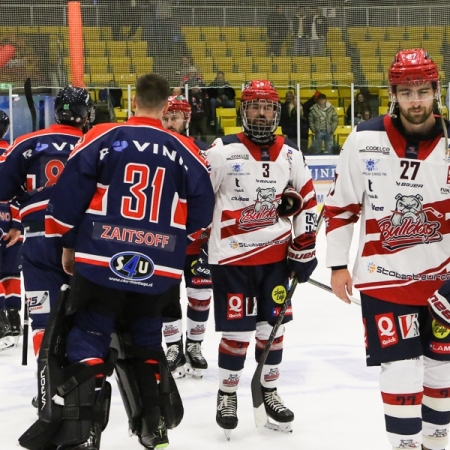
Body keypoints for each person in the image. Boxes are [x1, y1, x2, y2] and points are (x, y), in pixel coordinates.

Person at [28, 74, 214, 449]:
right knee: (145, 342)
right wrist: (172, 242)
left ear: (133, 103)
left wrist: (67, 244)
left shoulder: (102, 136)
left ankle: (84, 433)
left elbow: (66, 199)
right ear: (165, 108)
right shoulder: (187, 150)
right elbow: (203, 213)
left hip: (100, 260)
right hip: (157, 268)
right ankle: (154, 429)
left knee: (88, 338)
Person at [324, 48, 450, 450]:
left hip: (441, 282)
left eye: (423, 91)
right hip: (384, 279)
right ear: (394, 94)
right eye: (406, 91)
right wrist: (338, 264)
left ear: (436, 91)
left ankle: (435, 441)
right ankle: (405, 446)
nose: (416, 101)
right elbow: (342, 206)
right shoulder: (364, 138)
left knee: (442, 371)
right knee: (400, 371)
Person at [205, 80, 318, 437]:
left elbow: (308, 202)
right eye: (255, 106)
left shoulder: (291, 154)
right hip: (232, 260)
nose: (262, 113)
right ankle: (227, 394)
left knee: (273, 329)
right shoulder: (222, 151)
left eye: (268, 107)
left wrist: (304, 247)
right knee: (237, 333)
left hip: (275, 261)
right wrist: (195, 248)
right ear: (244, 110)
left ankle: (268, 390)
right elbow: (200, 200)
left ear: (277, 112)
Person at [0, 87, 94, 359]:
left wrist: (27, 196)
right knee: (86, 317)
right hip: (85, 239)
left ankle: (47, 384)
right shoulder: (96, 143)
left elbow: (3, 188)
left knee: (43, 319)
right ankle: (81, 384)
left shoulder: (28, 142)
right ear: (86, 114)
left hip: (39, 238)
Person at [160, 95, 212, 379]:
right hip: (165, 239)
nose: (170, 123)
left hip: (198, 239)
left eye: (175, 118)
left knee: (201, 293)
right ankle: (172, 346)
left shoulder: (204, 151)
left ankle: (194, 344)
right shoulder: (155, 151)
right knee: (166, 295)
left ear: (187, 119)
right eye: (166, 118)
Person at [0, 110, 22, 350]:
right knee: (10, 274)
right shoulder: (13, 154)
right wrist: (17, 224)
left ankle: (1, 321)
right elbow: (20, 192)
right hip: (13, 219)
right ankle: (14, 320)